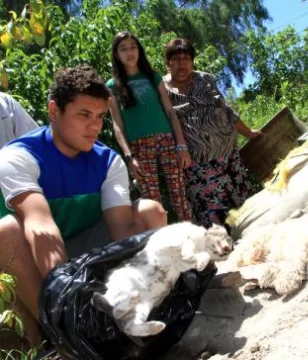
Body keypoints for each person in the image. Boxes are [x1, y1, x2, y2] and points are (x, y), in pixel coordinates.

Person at [0, 65, 167, 346]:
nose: (95, 127)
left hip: (84, 246)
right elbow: (41, 227)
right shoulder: (16, 157)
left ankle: (146, 309)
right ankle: (64, 336)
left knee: (151, 211)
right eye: (84, 115)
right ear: (54, 111)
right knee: (4, 231)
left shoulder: (108, 161)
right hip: (29, 261)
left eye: (101, 117)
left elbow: (123, 228)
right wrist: (72, 302)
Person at [163, 38, 262, 228]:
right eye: (176, 59)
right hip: (197, 165)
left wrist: (248, 133)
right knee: (214, 219)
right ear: (168, 63)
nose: (182, 63)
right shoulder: (163, 89)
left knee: (245, 210)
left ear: (192, 61)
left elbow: (227, 110)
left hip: (228, 157)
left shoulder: (205, 79)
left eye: (186, 58)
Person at [106, 32, 192, 222]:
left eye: (133, 47)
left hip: (167, 141)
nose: (129, 52)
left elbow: (170, 112)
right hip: (139, 148)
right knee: (152, 203)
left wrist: (181, 145)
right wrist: (129, 157)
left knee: (179, 196)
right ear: (116, 54)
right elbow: (117, 124)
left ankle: (193, 237)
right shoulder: (112, 85)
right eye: (123, 48)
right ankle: (163, 246)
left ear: (139, 50)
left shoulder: (153, 77)